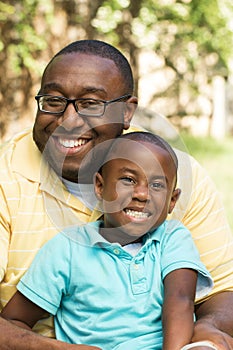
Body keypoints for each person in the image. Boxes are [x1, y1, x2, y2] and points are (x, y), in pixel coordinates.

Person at [0, 39, 232, 349]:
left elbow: (221, 292)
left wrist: (205, 334)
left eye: (91, 104)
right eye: (54, 100)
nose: (68, 121)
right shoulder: (7, 180)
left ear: (126, 111)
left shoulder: (174, 174)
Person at [1, 131, 214, 350]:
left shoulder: (173, 237)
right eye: (128, 180)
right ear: (100, 187)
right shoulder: (67, 248)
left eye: (157, 185)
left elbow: (180, 300)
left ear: (172, 200)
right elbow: (14, 321)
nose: (142, 194)